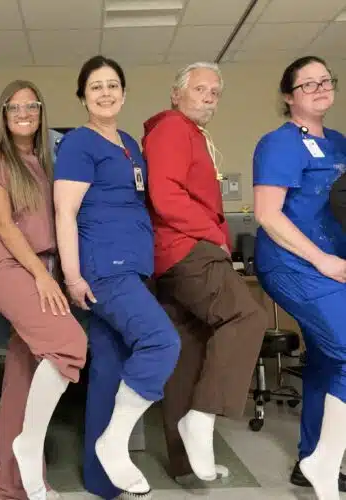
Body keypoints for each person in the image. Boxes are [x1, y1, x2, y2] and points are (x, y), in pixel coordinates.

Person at [54, 55, 180, 499]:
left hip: (133, 267)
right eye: (96, 86)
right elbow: (65, 211)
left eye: (112, 85)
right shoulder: (78, 143)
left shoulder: (127, 142)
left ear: (123, 94)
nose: (105, 93)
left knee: (109, 368)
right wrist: (72, 275)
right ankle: (113, 444)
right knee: (161, 342)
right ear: (82, 97)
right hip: (105, 268)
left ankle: (100, 479)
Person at [142, 62, 266, 482]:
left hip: (172, 257)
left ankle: (185, 465)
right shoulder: (173, 128)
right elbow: (166, 195)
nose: (209, 97)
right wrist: (215, 236)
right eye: (200, 89)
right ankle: (202, 416)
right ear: (176, 93)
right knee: (246, 317)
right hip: (188, 251)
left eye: (215, 92)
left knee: (189, 349)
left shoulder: (188, 133)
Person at [0, 79, 87, 500]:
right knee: (69, 344)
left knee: (20, 377)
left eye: (31, 106)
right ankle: (28, 446)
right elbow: (3, 226)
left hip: (46, 269)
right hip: (11, 267)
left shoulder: (47, 163)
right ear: (3, 115)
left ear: (40, 113)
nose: (23, 113)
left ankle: (13, 484)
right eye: (14, 107)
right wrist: (41, 276)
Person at [253, 55, 346, 500]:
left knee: (329, 360)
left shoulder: (340, 143)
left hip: (333, 265)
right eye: (307, 84)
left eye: (325, 80)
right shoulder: (279, 144)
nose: (320, 88)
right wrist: (322, 260)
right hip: (293, 264)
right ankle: (323, 460)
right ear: (288, 96)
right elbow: (267, 215)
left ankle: (310, 460)